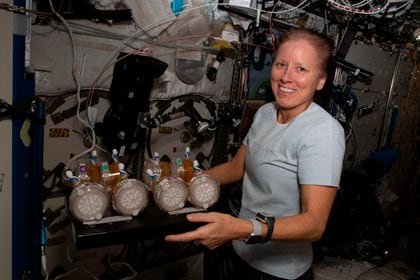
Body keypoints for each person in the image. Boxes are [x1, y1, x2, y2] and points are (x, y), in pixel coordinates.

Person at [165, 27, 345, 280]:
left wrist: (240, 228)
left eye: (301, 69)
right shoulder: (265, 113)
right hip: (240, 253)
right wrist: (183, 185)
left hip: (278, 271)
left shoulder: (323, 131)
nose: (286, 77)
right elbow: (238, 167)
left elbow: (314, 224)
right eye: (281, 64)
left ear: (321, 80)